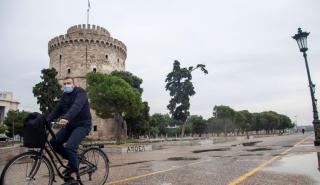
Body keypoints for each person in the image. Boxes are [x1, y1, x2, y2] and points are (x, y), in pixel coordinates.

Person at [47, 76, 92, 185]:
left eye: (68, 83)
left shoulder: (80, 93)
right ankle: (74, 160)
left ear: (74, 84)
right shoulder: (64, 96)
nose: (66, 85)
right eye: (65, 84)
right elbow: (56, 110)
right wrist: (46, 121)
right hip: (69, 126)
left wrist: (66, 117)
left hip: (83, 125)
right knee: (54, 142)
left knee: (70, 147)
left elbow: (77, 106)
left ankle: (74, 176)